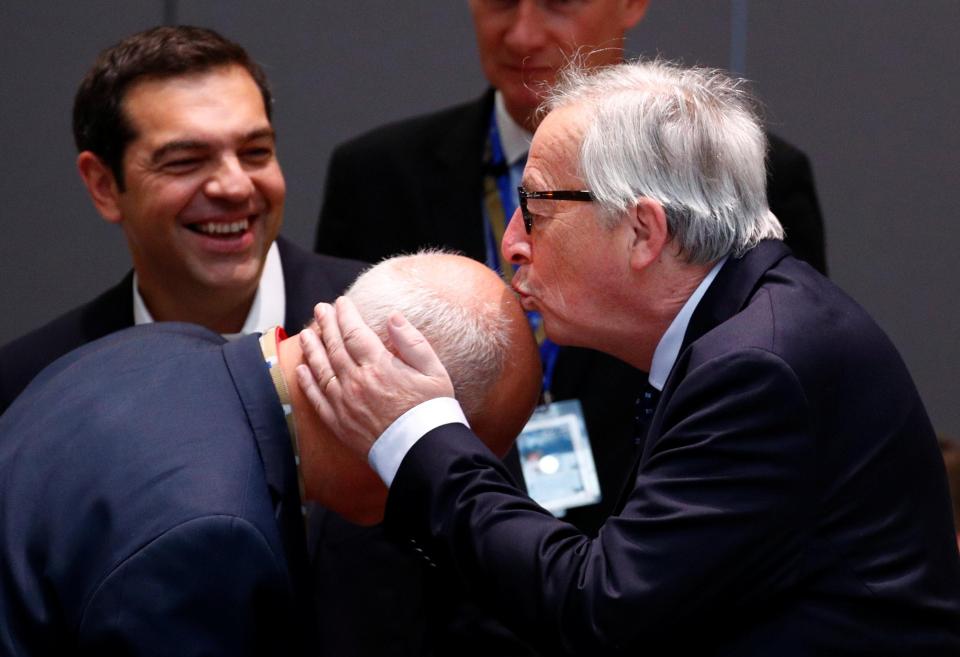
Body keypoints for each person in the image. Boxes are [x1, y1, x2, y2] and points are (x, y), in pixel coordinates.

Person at [299, 60, 960, 655]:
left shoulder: (758, 366)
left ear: (643, 231)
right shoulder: (745, 322)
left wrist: (420, 433)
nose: (510, 245)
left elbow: (600, 611)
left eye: (536, 210)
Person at [315, 0, 826, 536]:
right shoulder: (376, 174)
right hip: (428, 566)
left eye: (558, 2)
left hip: (642, 561)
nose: (521, 34)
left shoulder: (743, 179)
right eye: (500, 2)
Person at [0, 251, 541, 656]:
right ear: (387, 407)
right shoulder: (214, 532)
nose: (436, 494)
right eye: (444, 456)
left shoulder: (156, 346)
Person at [0, 25, 364, 415]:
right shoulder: (31, 386)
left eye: (255, 152)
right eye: (185, 162)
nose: (236, 187)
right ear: (104, 186)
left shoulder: (383, 328)